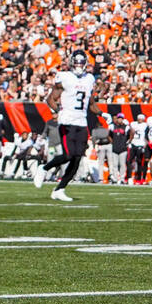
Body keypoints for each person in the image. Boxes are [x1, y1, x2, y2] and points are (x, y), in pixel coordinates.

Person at [34, 50, 99, 202]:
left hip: (82, 122)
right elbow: (50, 99)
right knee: (68, 154)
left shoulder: (89, 79)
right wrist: (58, 111)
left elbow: (90, 102)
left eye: (81, 63)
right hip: (67, 122)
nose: (78, 66)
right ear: (71, 63)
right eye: (76, 62)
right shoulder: (64, 77)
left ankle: (60, 189)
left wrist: (102, 114)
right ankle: (44, 168)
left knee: (77, 159)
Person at [128, 113, 150, 184]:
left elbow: (147, 135)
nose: (140, 119)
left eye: (141, 118)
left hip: (141, 144)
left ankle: (139, 178)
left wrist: (145, 144)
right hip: (133, 144)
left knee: (139, 162)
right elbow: (130, 132)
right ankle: (129, 177)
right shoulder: (133, 124)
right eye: (139, 118)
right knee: (129, 161)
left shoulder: (145, 125)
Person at [108, 114, 128, 185]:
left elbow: (131, 133)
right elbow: (108, 135)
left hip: (123, 148)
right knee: (115, 165)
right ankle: (116, 178)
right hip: (115, 148)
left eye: (121, 118)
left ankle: (122, 178)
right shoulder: (112, 126)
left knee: (122, 164)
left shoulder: (126, 127)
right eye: (118, 118)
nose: (119, 119)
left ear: (123, 119)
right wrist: (112, 142)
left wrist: (128, 141)